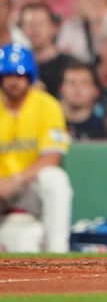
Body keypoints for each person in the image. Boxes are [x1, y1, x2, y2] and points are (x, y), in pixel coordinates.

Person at [0, 43, 72, 252]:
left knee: (55, 178)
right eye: (8, 75)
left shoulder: (47, 105)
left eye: (20, 75)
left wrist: (16, 180)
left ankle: (58, 249)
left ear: (30, 77)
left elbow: (52, 157)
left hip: (28, 187)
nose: (14, 81)